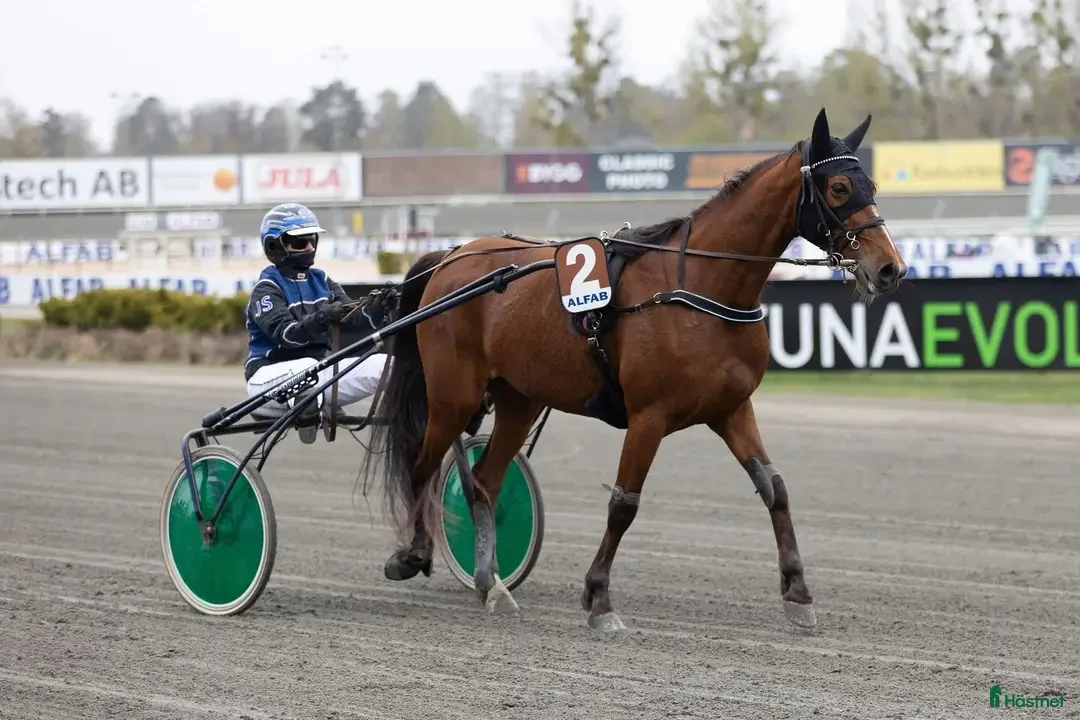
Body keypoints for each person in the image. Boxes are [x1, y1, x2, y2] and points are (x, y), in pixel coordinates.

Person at [243, 202, 389, 443]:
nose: (310, 246)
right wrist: (321, 318)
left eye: (312, 239)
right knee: (308, 366)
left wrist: (379, 308)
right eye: (300, 242)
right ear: (274, 245)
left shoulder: (322, 280)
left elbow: (352, 322)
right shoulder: (266, 289)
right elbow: (287, 336)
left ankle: (417, 421)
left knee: (388, 365)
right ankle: (309, 404)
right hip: (268, 379)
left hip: (317, 376)